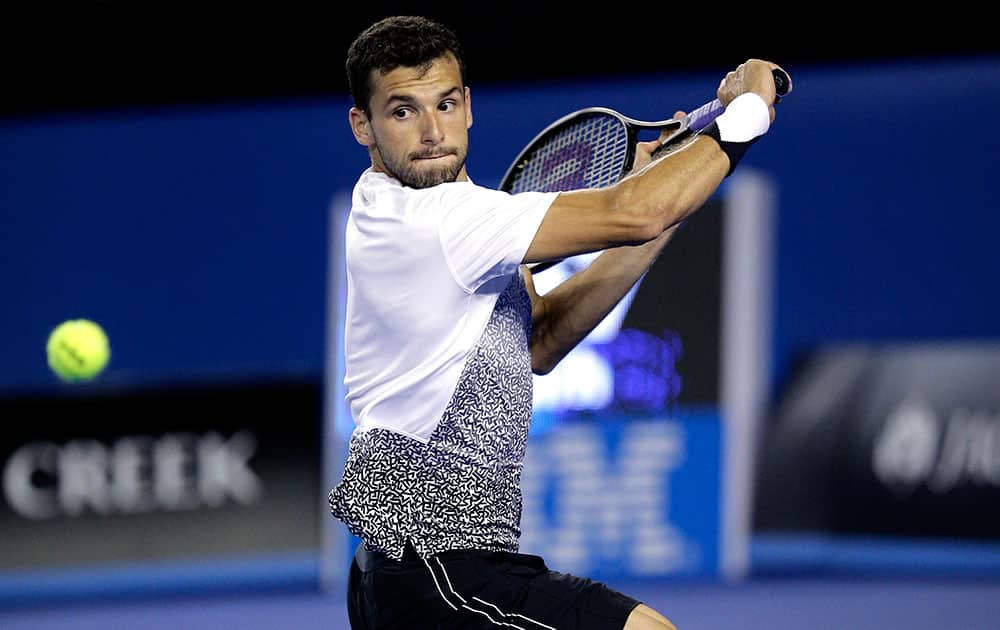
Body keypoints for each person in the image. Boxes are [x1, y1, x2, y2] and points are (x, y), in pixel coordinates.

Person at [328, 14, 790, 630]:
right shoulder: (438, 219)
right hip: (439, 571)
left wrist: (668, 196)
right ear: (363, 124)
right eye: (403, 111)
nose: (433, 131)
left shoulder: (417, 212)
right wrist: (748, 114)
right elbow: (639, 210)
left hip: (410, 570)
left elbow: (541, 337)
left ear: (468, 106)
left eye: (445, 103)